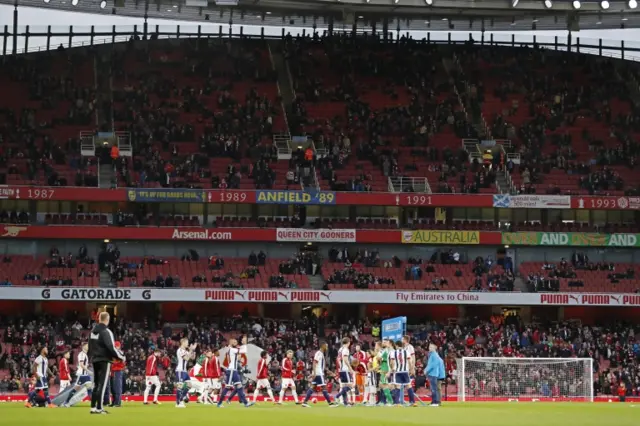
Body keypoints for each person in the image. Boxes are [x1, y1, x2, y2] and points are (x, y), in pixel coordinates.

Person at [88, 312, 126, 415]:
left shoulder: (92, 331)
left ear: (99, 319)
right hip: (104, 360)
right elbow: (111, 347)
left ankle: (93, 407)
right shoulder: (106, 331)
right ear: (107, 319)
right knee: (103, 384)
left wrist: (91, 357)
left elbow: (90, 346)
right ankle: (100, 408)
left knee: (96, 384)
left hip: (95, 359)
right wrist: (121, 357)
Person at [217, 336, 254, 408]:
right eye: (234, 342)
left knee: (239, 386)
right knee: (227, 387)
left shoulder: (231, 350)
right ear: (230, 343)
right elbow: (243, 351)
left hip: (234, 371)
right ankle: (219, 403)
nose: (236, 342)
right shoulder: (232, 349)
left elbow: (239, 355)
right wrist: (245, 343)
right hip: (231, 370)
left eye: (236, 342)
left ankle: (246, 403)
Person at [301, 341, 335, 407]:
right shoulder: (319, 353)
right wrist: (315, 373)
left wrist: (329, 371)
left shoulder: (321, 353)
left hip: (319, 372)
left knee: (313, 387)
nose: (327, 347)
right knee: (324, 387)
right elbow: (314, 362)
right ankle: (330, 403)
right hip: (319, 373)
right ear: (323, 346)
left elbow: (322, 365)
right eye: (326, 345)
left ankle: (305, 402)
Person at [175, 338, 197, 408]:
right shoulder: (180, 350)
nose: (188, 344)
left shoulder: (185, 351)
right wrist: (190, 350)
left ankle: (182, 398)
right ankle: (178, 403)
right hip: (180, 370)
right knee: (180, 387)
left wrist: (193, 349)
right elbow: (186, 358)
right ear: (183, 342)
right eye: (187, 342)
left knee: (189, 385)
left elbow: (193, 358)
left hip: (185, 371)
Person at [334, 337, 355, 406]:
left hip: (341, 369)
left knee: (344, 387)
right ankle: (337, 396)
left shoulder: (340, 349)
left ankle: (345, 403)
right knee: (351, 385)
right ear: (348, 342)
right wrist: (350, 368)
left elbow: (338, 359)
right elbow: (345, 360)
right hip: (345, 369)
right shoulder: (346, 349)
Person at [376, 340, 393, 406]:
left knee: (385, 385)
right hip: (383, 367)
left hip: (386, 368)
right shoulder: (385, 350)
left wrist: (380, 356)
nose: (383, 343)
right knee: (382, 385)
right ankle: (386, 400)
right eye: (383, 342)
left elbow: (378, 358)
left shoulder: (387, 350)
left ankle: (390, 401)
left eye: (385, 342)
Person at [109, 341, 125, 407]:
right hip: (113, 371)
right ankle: (114, 402)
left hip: (117, 371)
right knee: (113, 388)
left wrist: (112, 362)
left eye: (116, 346)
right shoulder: (114, 353)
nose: (115, 347)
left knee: (117, 387)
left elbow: (121, 361)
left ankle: (118, 403)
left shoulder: (120, 353)